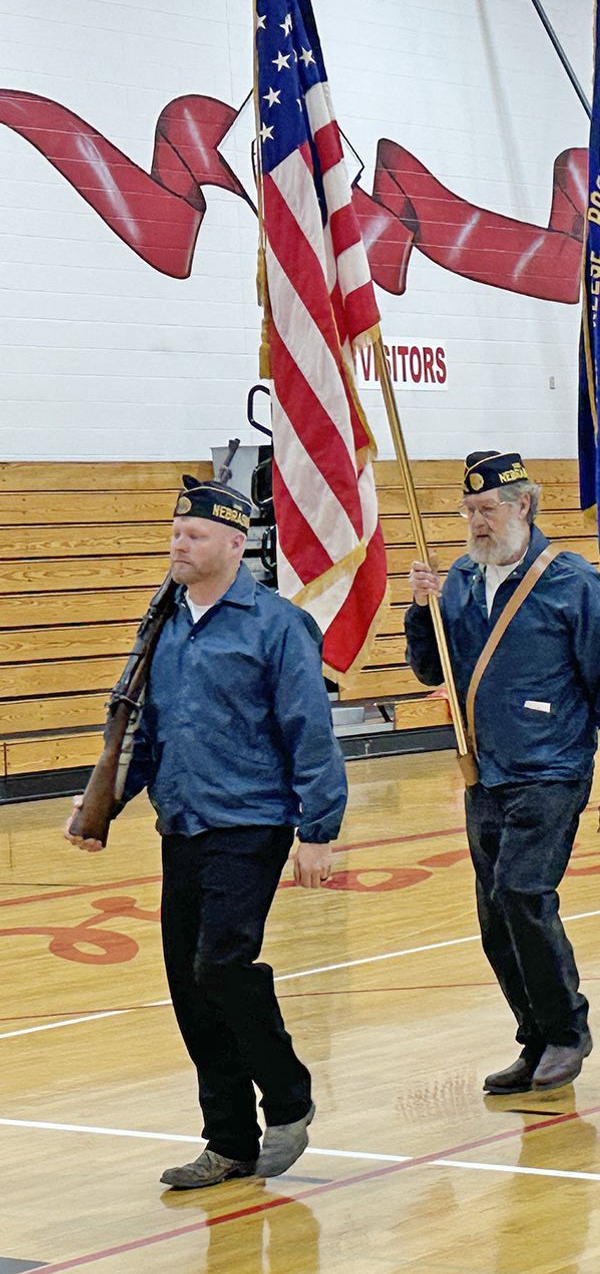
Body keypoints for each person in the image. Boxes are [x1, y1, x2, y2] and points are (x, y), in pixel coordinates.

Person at [65, 473, 347, 1189]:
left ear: (234, 542)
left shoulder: (276, 624)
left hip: (251, 823)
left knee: (222, 966)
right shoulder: (165, 626)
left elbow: (309, 732)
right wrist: (103, 806)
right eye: (174, 534)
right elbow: (147, 733)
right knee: (190, 989)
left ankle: (289, 1096)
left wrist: (319, 828)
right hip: (183, 823)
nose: (178, 545)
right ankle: (228, 1141)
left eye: (192, 535)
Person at [406, 451, 600, 1093]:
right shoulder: (458, 578)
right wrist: (419, 611)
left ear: (523, 507)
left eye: (488, 510)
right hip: (483, 772)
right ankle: (534, 1037)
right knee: (493, 915)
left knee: (522, 894)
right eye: (469, 511)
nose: (477, 523)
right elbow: (433, 673)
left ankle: (568, 1031)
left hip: (552, 770)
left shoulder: (572, 583)